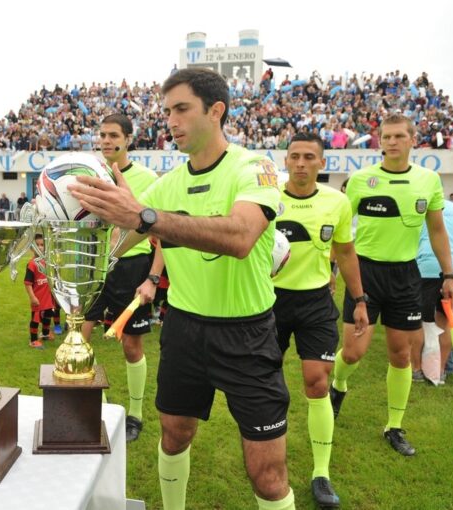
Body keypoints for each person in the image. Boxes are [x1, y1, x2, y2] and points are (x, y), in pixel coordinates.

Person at [69, 68, 294, 510]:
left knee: (267, 476)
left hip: (247, 335)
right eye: (167, 111)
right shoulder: (168, 184)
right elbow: (117, 244)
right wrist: (71, 228)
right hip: (184, 331)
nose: (170, 120)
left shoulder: (255, 167)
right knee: (174, 436)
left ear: (216, 111)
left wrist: (146, 217)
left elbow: (240, 237)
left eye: (182, 109)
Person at [330, 114, 453, 456]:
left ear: (412, 139)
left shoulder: (428, 180)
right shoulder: (360, 180)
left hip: (405, 276)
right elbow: (340, 225)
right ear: (379, 140)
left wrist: (449, 275)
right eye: (386, 136)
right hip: (365, 273)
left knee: (401, 355)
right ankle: (338, 384)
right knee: (354, 352)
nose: (391, 142)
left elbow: (437, 230)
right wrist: (330, 265)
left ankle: (394, 426)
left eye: (399, 136)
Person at [274, 132, 369, 508]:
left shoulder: (337, 202)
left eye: (308, 157)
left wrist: (359, 299)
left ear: (321, 162)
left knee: (316, 383)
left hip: (315, 302)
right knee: (266, 381)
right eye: (294, 156)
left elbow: (345, 253)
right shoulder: (268, 198)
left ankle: (321, 473)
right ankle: (268, 452)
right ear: (286, 161)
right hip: (269, 301)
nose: (300, 163)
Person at [80, 114, 160, 443]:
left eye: (114, 135)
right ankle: (95, 403)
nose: (107, 140)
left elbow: (162, 235)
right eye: (102, 135)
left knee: (131, 346)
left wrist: (152, 279)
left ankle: (136, 413)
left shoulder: (148, 178)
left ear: (128, 139)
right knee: (79, 338)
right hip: (95, 266)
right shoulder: (88, 174)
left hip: (132, 269)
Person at [413, 199, 453, 382]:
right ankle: (438, 372)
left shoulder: (420, 209)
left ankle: (417, 370)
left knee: (418, 320)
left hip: (429, 263)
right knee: (446, 320)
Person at [24, 233, 54, 349]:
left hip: (48, 297)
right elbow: (27, 283)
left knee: (48, 316)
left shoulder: (47, 261)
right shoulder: (32, 264)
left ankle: (45, 334)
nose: (40, 247)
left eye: (42, 245)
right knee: (35, 319)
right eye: (37, 245)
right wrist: (32, 297)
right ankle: (33, 340)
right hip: (38, 298)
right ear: (32, 248)